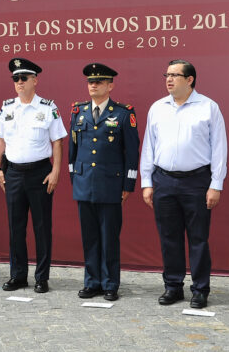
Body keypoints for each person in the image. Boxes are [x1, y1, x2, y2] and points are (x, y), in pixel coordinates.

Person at [140, 59, 227, 309]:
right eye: (166, 74)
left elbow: (219, 148)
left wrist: (216, 184)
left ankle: (200, 289)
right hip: (164, 180)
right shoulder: (157, 108)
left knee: (198, 238)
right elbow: (149, 146)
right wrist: (147, 181)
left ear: (190, 80)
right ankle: (173, 286)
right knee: (169, 237)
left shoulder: (209, 107)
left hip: (197, 182)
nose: (169, 79)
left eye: (175, 75)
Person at [0, 58, 67, 294]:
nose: (19, 82)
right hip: (13, 173)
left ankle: (42, 277)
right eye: (15, 78)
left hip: (40, 174)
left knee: (42, 227)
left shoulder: (47, 108)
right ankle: (18, 276)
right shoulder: (7, 108)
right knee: (16, 227)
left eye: (24, 78)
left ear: (35, 80)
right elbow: (0, 140)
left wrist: (55, 171)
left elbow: (57, 141)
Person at [68, 63, 140, 301]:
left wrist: (128, 185)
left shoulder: (123, 113)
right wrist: (74, 178)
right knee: (89, 238)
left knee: (109, 238)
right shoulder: (78, 112)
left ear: (110, 85)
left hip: (111, 185)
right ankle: (92, 282)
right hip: (84, 183)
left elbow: (131, 152)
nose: (94, 85)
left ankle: (110, 283)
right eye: (90, 81)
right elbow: (73, 150)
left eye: (99, 81)